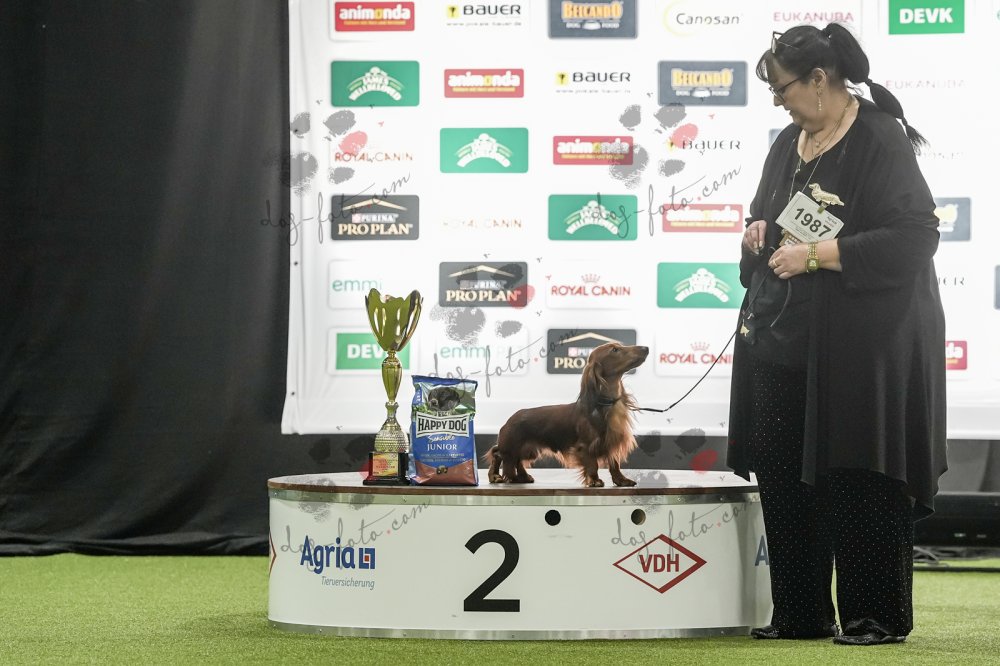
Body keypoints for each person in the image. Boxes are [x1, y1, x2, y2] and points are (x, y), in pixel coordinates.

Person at [727, 23, 947, 646]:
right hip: (781, 334)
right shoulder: (786, 143)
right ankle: (800, 613)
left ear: (820, 80)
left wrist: (818, 255)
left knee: (859, 473)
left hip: (861, 345)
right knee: (780, 470)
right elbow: (769, 221)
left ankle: (875, 615)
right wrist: (757, 234)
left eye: (783, 89)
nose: (778, 101)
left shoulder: (879, 136)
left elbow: (916, 236)